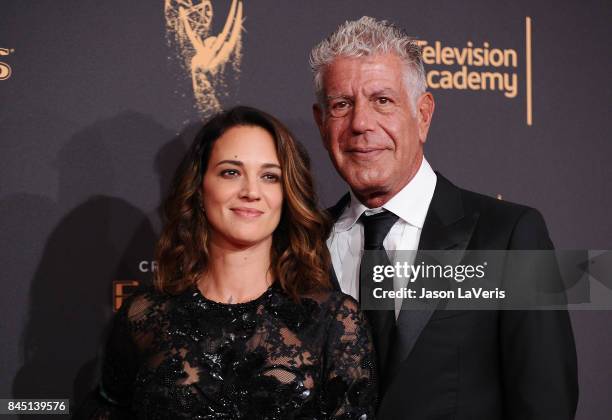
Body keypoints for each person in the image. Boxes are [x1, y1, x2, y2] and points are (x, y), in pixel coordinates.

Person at [310, 17, 578, 419]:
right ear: (321, 122)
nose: (361, 124)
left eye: (382, 100)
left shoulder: (508, 235)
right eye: (341, 105)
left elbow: (546, 404)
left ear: (423, 114)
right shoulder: (301, 245)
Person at [74, 106, 376, 419]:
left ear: (287, 196)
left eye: (269, 176)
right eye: (231, 172)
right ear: (200, 188)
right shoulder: (145, 316)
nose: (251, 192)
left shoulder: (334, 322)